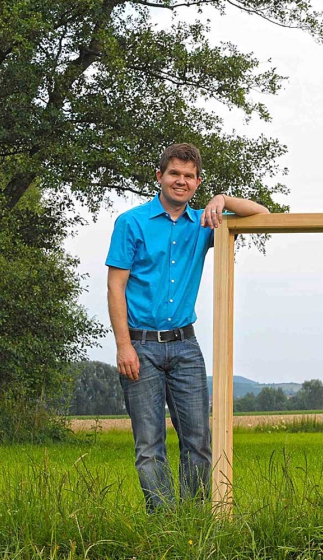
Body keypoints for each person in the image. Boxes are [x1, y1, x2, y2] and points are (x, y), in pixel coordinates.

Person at [106, 143, 269, 511]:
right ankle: (164, 523)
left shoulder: (206, 224)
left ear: (197, 183)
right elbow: (115, 286)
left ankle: (191, 520)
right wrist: (123, 347)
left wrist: (222, 198)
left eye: (189, 176)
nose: (181, 181)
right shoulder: (131, 223)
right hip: (140, 346)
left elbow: (262, 213)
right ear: (159, 176)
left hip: (185, 348)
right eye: (174, 173)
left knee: (197, 441)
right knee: (149, 446)